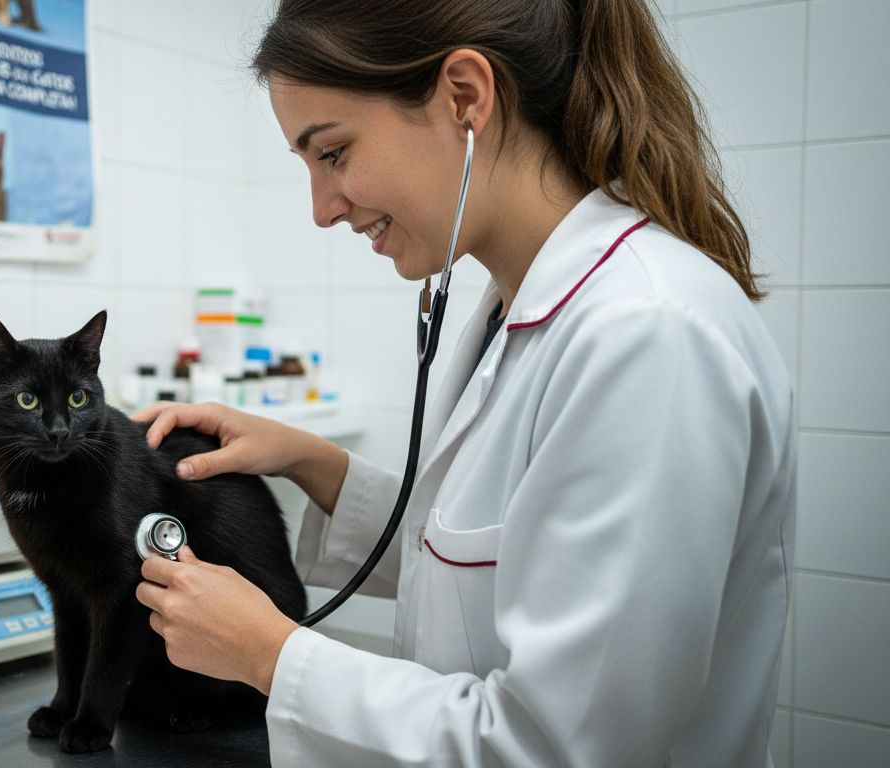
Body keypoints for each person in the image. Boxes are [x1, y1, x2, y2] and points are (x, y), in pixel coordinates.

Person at [132, 0, 795, 765]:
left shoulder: (647, 334)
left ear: (465, 98)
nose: (321, 209)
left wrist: (270, 656)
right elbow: (480, 559)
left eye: (334, 153)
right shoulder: (513, 312)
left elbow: (561, 748)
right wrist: (308, 460)